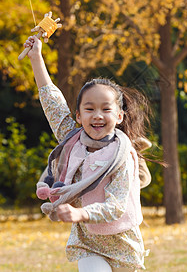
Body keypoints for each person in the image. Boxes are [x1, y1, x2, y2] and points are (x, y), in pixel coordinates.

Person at [23, 35, 151, 272]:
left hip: (123, 244)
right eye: (89, 109)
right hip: (87, 243)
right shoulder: (72, 140)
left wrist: (80, 212)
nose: (97, 115)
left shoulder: (122, 156)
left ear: (119, 116)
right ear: (79, 116)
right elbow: (52, 102)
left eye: (106, 109)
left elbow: (116, 206)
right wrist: (36, 57)